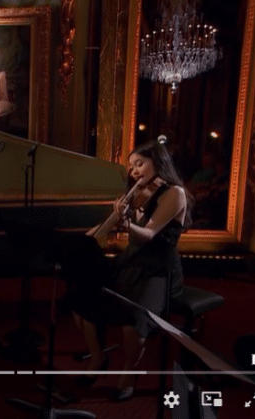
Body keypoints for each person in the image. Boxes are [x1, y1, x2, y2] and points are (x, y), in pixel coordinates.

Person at [67, 140, 191, 401]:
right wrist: (82, 241)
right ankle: (98, 359)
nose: (134, 171)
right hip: (131, 261)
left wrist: (126, 223)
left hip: (159, 269)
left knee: (132, 324)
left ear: (158, 162)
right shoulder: (138, 192)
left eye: (139, 164)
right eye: (131, 166)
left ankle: (130, 371)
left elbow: (147, 235)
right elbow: (104, 228)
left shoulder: (175, 193)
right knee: (81, 299)